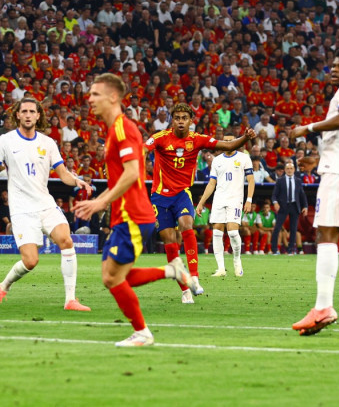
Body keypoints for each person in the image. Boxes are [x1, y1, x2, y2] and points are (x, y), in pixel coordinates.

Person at [73, 74, 195, 347]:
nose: (89, 99)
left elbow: (131, 173)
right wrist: (104, 202)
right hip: (123, 215)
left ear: (113, 97)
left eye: (95, 94)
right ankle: (171, 272)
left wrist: (100, 202)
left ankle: (142, 332)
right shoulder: (114, 129)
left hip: (133, 215)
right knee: (112, 275)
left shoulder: (123, 128)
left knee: (112, 276)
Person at [0, 97, 92, 312]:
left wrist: (77, 180)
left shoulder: (48, 142)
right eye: (23, 111)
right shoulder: (6, 141)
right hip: (22, 210)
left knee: (66, 240)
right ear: (17, 114)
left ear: (37, 115)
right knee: (31, 261)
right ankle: (2, 286)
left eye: (31, 111)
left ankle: (70, 300)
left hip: (45, 204)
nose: (27, 115)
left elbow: (62, 174)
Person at [290, 49, 339, 336]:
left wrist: (306, 128)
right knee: (328, 234)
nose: (335, 69)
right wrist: (318, 160)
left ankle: (324, 307)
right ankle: (323, 307)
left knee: (325, 233)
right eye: (333, 64)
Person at [146, 103, 253, 302]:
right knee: (170, 243)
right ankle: (185, 290)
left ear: (190, 121)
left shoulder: (197, 140)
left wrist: (245, 138)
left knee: (187, 225)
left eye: (184, 118)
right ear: (172, 120)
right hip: (160, 197)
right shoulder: (160, 138)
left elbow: (228, 146)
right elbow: (143, 150)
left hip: (181, 194)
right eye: (176, 117)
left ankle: (194, 277)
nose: (180, 121)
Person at [195, 134, 256, 278]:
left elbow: (251, 180)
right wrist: (201, 202)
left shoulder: (244, 158)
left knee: (233, 232)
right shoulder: (217, 160)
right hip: (219, 199)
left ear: (236, 142)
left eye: (231, 141)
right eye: (226, 141)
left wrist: (249, 199)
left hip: (235, 199)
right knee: (216, 231)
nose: (228, 143)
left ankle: (236, 260)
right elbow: (212, 183)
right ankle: (221, 268)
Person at [270, 161, 308, 255]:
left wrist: (305, 206)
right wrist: (275, 203)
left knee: (293, 229)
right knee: (277, 228)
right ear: (285, 170)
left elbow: (302, 195)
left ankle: (291, 250)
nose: (289, 170)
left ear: (294, 169)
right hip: (283, 206)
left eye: (291, 168)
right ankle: (274, 249)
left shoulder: (298, 181)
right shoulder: (280, 180)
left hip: (295, 206)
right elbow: (274, 195)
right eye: (288, 168)